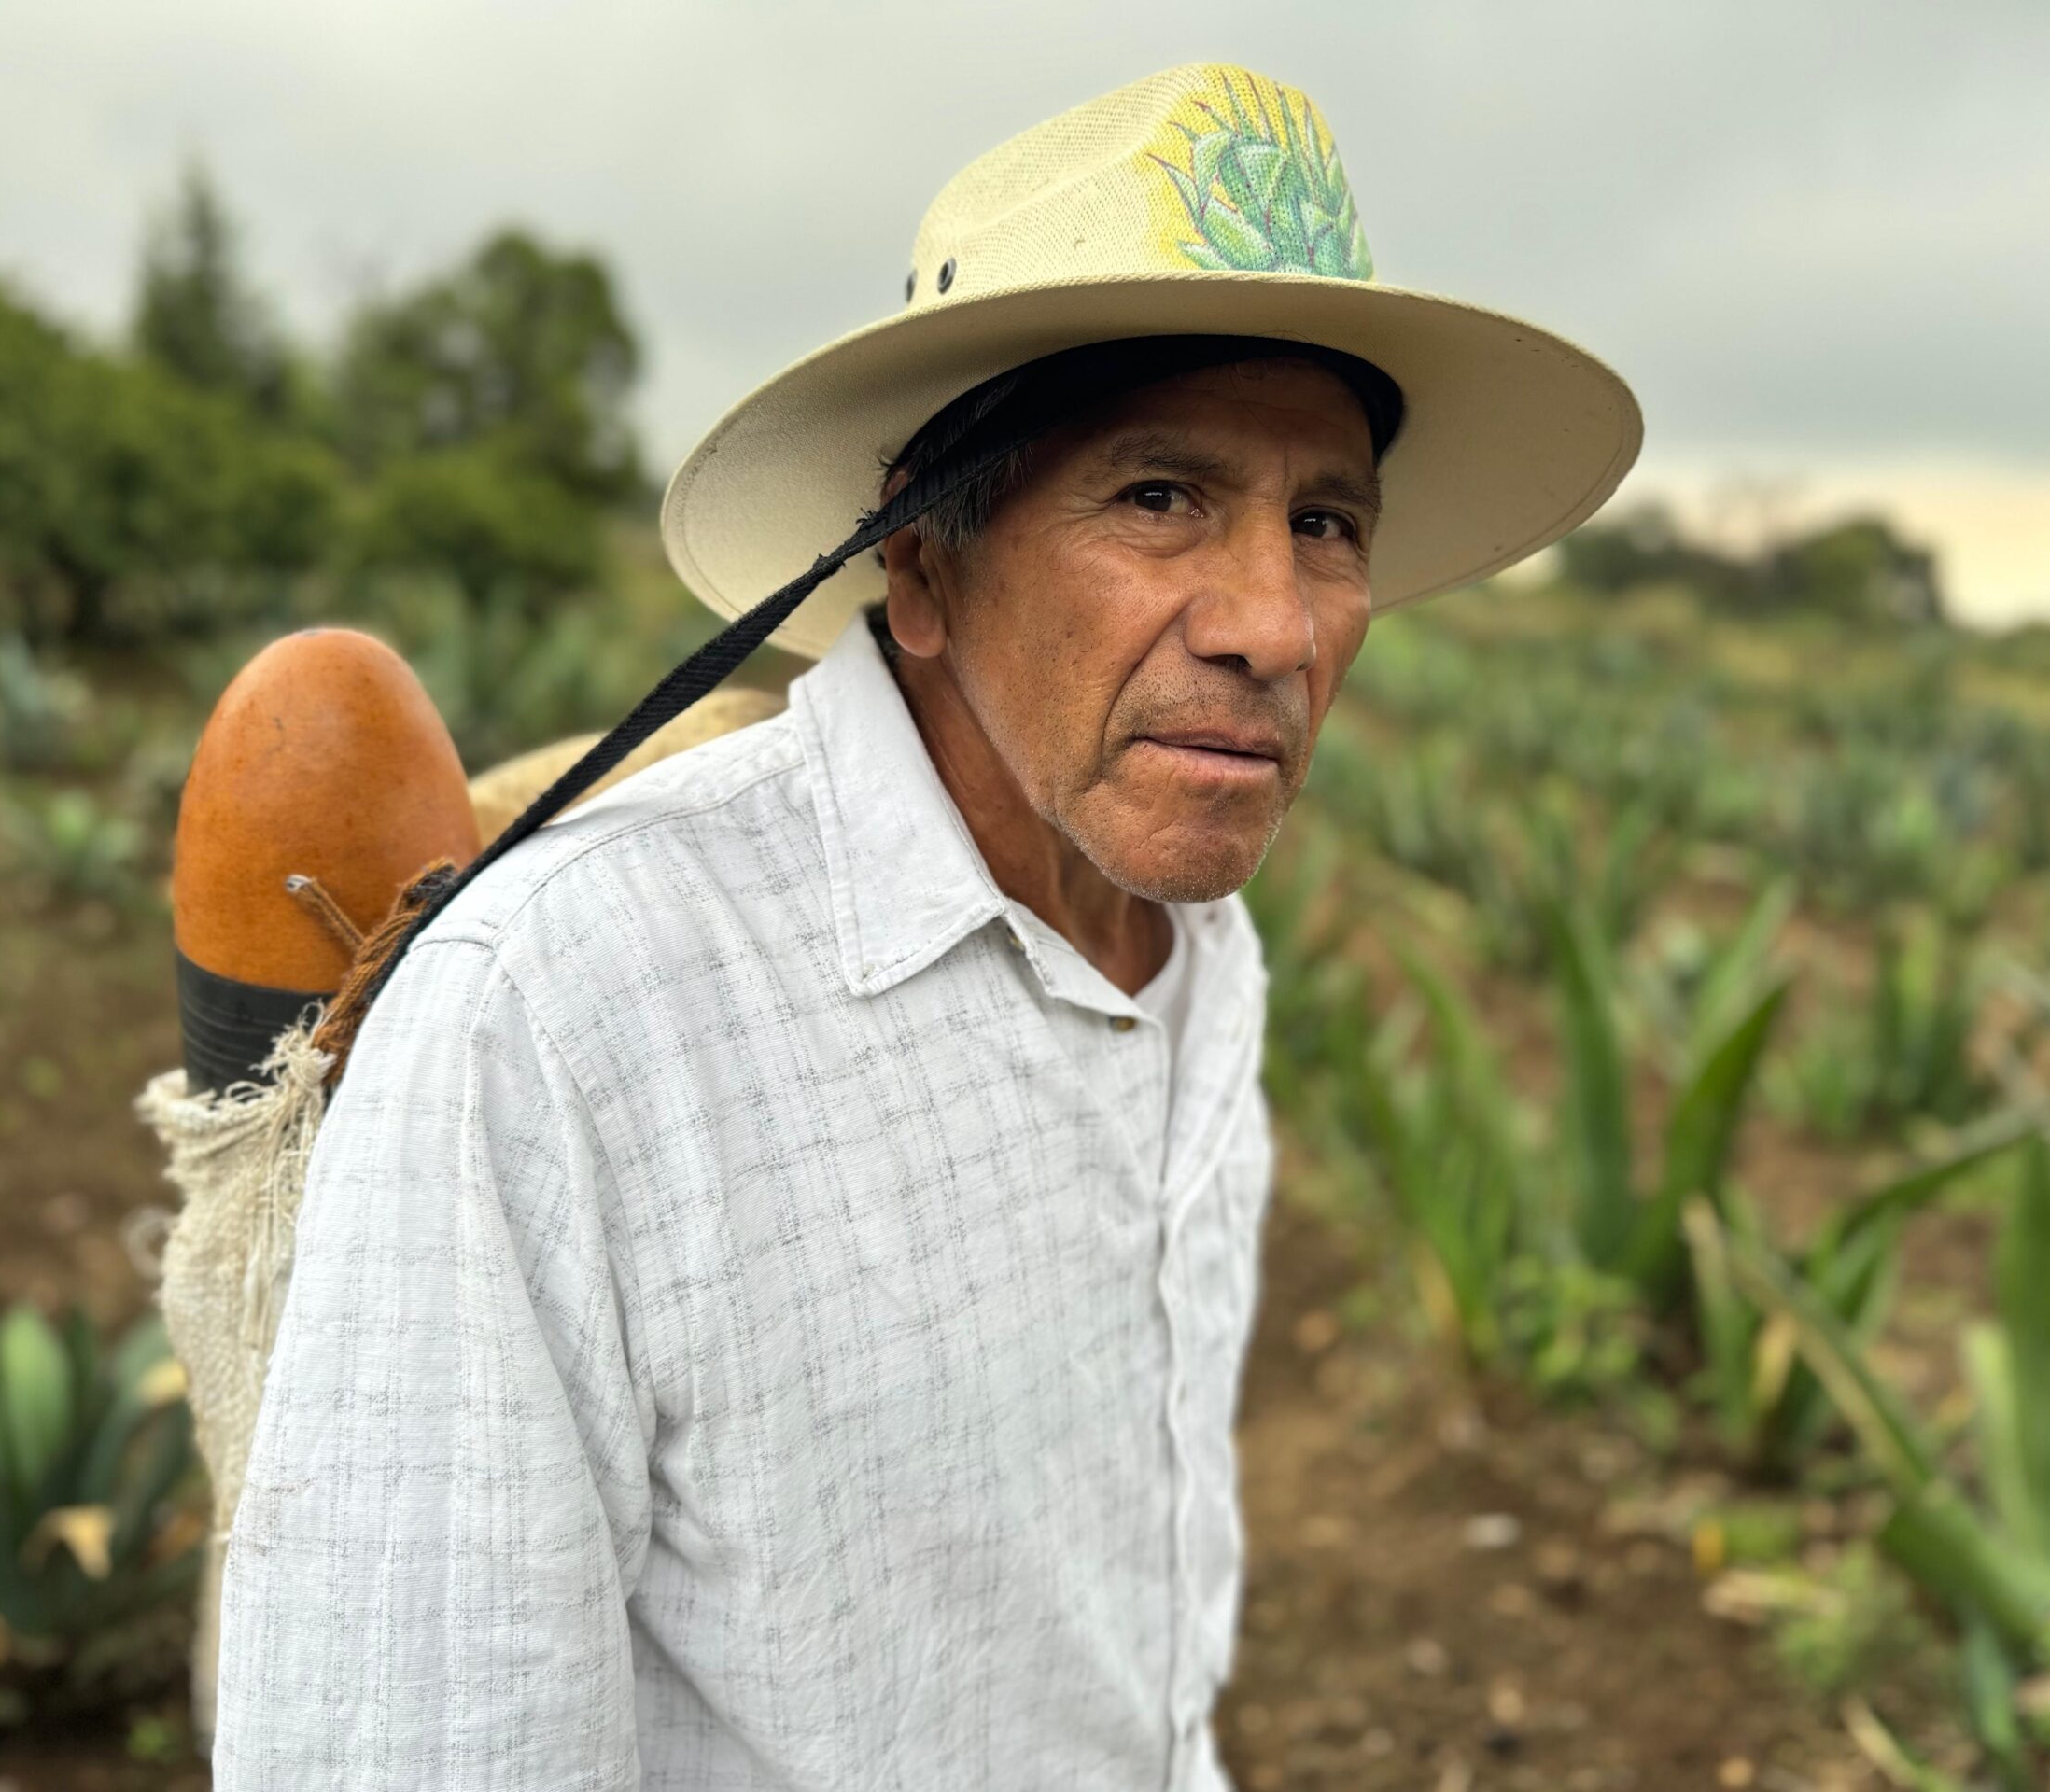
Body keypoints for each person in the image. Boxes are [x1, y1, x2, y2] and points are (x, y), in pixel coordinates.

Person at [211, 61, 1638, 1790]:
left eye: (1324, 523)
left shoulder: (1206, 959)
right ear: (924, 570)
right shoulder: (572, 1009)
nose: (1278, 623)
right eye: (1159, 496)